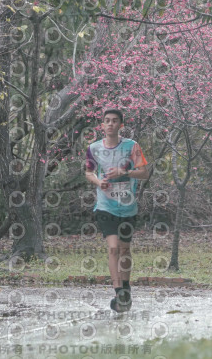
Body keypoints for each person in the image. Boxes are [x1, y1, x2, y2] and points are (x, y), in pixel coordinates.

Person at [85, 109, 149, 312]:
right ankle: (118, 292)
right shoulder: (94, 148)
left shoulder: (132, 146)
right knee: (113, 248)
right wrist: (99, 182)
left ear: (121, 125)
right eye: (107, 121)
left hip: (128, 207)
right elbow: (89, 172)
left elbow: (144, 173)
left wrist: (124, 172)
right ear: (102, 125)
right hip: (105, 206)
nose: (110, 124)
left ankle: (126, 287)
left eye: (114, 121)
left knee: (124, 249)